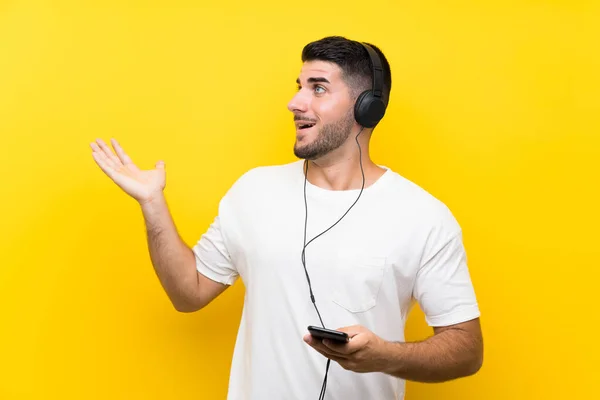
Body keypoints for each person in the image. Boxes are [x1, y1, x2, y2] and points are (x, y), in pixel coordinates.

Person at [90, 36, 483, 400]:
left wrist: (387, 356)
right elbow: (187, 293)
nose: (295, 103)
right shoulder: (253, 191)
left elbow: (466, 349)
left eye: (318, 88)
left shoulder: (422, 215)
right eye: (298, 86)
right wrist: (152, 204)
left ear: (367, 106)